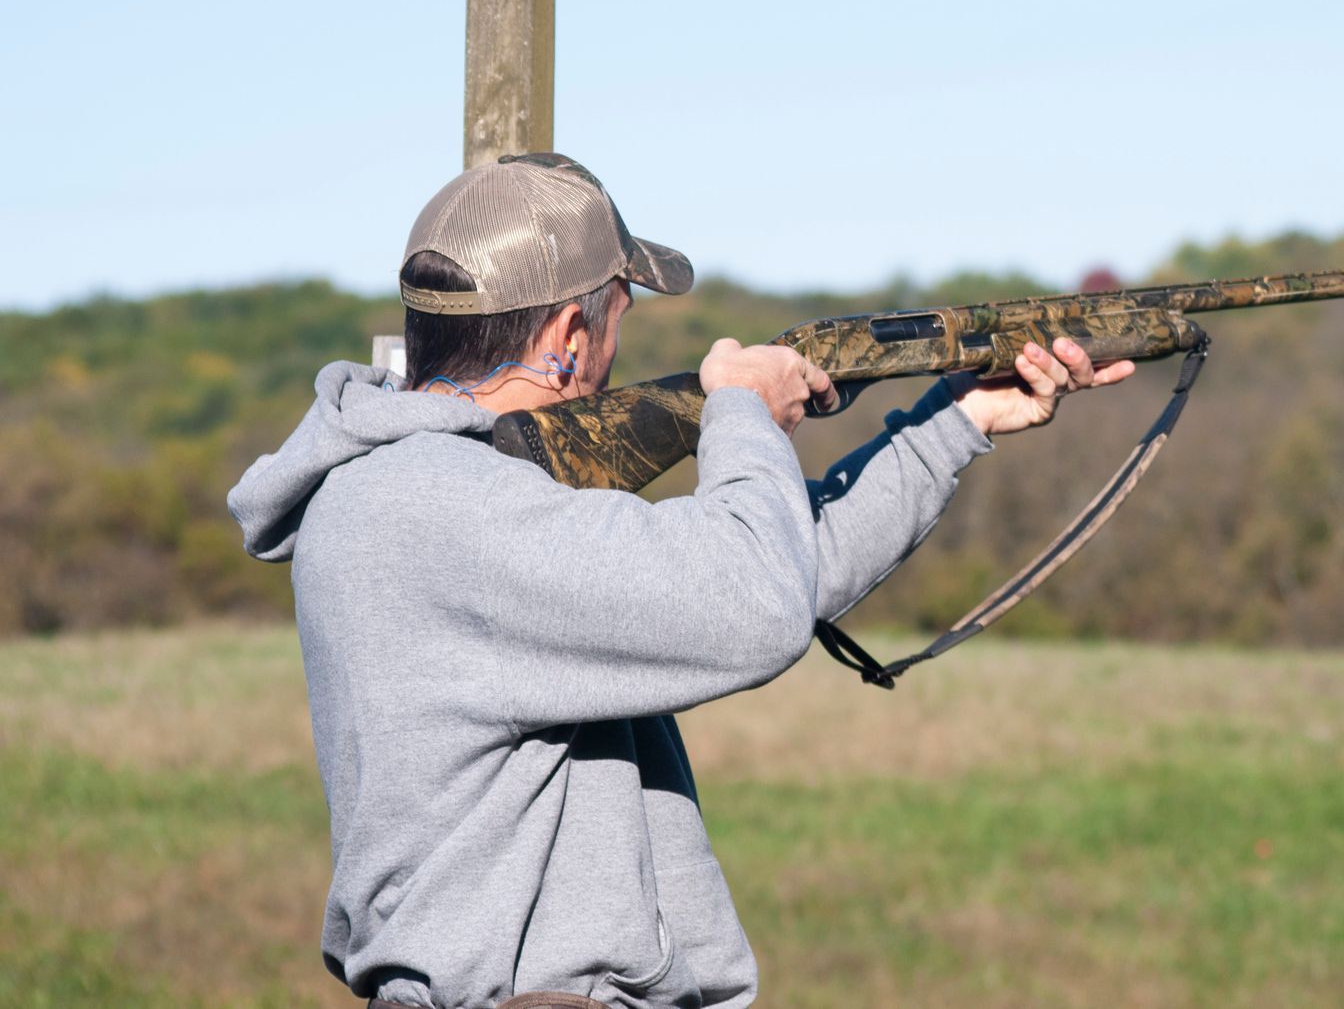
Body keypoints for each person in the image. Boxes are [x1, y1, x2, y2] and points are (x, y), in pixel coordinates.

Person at [227, 152, 1132, 1009]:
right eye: (620, 313)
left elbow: (777, 571)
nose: (619, 346)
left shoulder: (413, 496)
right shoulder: (439, 511)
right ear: (571, 333)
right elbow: (754, 604)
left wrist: (959, 417)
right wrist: (741, 410)